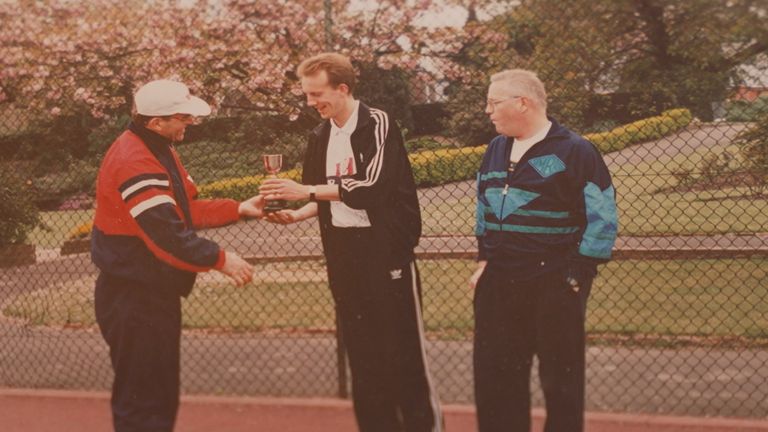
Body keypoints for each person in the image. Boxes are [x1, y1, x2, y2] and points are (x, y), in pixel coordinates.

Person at [259, 53, 442, 432]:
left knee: (401, 353)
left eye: (317, 94)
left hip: (384, 253)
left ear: (342, 89)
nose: (311, 103)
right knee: (363, 356)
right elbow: (321, 195)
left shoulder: (377, 123)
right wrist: (296, 212)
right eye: (307, 95)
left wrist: (305, 191)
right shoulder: (320, 135)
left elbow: (372, 188)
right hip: (344, 254)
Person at [91, 79, 263, 432]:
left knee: (159, 392)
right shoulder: (135, 160)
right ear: (156, 122)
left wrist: (238, 208)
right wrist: (220, 259)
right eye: (183, 117)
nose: (190, 123)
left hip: (150, 291)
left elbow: (182, 210)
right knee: (144, 398)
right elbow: (166, 237)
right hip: (133, 295)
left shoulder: (157, 146)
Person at [471, 69, 618, 432]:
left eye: (493, 102)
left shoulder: (575, 150)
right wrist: (484, 261)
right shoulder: (495, 148)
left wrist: (577, 273)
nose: (487, 110)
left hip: (554, 280)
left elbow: (603, 216)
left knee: (561, 381)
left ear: (523, 103)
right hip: (500, 280)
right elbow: (483, 209)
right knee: (495, 380)